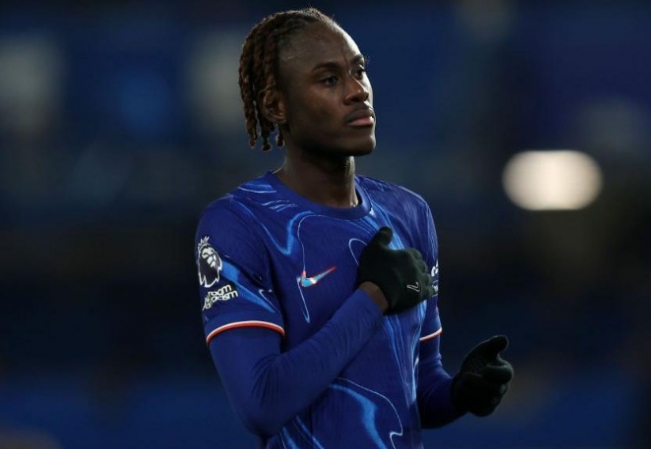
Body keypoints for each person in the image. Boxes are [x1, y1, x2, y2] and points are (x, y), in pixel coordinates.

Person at [194, 7, 514, 448]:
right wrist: (373, 297)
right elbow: (261, 403)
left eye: (359, 71)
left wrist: (460, 393)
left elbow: (419, 389)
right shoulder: (239, 223)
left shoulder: (409, 214)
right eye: (329, 80)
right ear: (276, 105)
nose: (358, 91)